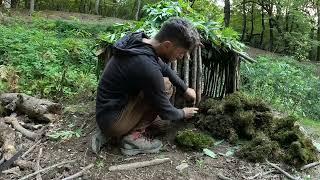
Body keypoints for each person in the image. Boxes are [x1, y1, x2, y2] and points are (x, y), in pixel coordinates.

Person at [93, 17, 200, 155]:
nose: (181, 57)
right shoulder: (146, 66)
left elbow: (165, 68)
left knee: (164, 85)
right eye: (181, 53)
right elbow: (166, 111)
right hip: (112, 121)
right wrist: (184, 112)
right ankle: (132, 139)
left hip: (107, 111)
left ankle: (118, 131)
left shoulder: (139, 42)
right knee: (165, 87)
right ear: (167, 45)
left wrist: (185, 89)